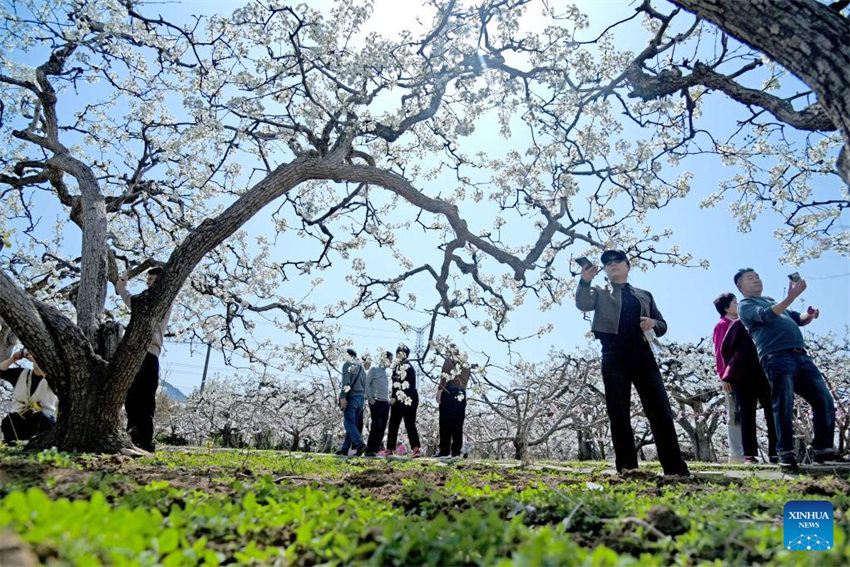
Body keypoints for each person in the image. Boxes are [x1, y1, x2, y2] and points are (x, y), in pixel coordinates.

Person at [575, 250, 689, 476]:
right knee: (618, 411)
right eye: (607, 263)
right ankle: (628, 469)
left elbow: (663, 325)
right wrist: (585, 280)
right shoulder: (599, 291)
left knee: (659, 409)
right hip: (613, 352)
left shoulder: (644, 294)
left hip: (643, 352)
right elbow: (583, 304)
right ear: (605, 270)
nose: (612, 264)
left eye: (617, 261)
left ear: (628, 266)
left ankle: (675, 468)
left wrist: (652, 322)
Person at [735, 268, 840, 468]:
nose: (756, 279)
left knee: (824, 399)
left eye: (758, 276)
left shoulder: (772, 300)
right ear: (740, 286)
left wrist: (808, 315)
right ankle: (785, 452)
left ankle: (823, 449)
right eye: (750, 278)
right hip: (776, 356)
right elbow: (766, 315)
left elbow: (797, 319)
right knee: (783, 403)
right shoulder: (745, 305)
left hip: (801, 355)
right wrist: (792, 296)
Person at [114, 266, 172, 452]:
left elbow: (134, 302)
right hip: (135, 354)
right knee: (132, 400)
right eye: (148, 280)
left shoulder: (162, 300)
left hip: (149, 355)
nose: (149, 283)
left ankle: (144, 442)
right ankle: (132, 438)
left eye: (153, 279)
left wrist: (122, 289)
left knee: (145, 401)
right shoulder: (148, 299)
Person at [719, 312, 778, 464]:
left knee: (772, 412)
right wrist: (729, 369)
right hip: (743, 375)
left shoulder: (770, 325)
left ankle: (775, 452)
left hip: (766, 373)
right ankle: (750, 454)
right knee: (746, 414)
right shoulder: (739, 324)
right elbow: (725, 348)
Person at [711, 293, 745, 463]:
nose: (738, 305)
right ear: (726, 307)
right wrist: (723, 376)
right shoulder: (722, 325)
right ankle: (736, 455)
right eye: (734, 302)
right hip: (732, 375)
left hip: (749, 374)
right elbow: (719, 352)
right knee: (734, 414)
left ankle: (748, 453)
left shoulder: (744, 323)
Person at [0, 349, 58, 444]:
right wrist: (13, 359)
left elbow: (55, 384)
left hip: (43, 420)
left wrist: (36, 361)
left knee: (44, 423)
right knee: (8, 422)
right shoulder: (21, 373)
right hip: (19, 417)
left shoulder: (55, 378)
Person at [385, 344, 422, 457]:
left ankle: (389, 449)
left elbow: (395, 384)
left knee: (394, 424)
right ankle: (416, 449)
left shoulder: (398, 365)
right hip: (412, 397)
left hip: (401, 397)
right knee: (410, 424)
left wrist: (393, 397)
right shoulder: (410, 366)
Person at [435, 343, 470, 458]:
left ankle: (444, 450)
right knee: (458, 424)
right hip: (462, 393)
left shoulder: (450, 359)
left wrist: (440, 391)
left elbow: (445, 376)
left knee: (445, 422)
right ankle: (456, 452)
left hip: (450, 392)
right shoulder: (466, 363)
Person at [337, 348, 367, 456]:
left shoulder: (347, 364)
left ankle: (360, 444)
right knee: (352, 424)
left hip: (352, 397)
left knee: (348, 423)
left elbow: (346, 383)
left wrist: (343, 397)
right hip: (361, 399)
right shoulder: (361, 367)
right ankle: (345, 449)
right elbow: (365, 384)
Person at [364, 351, 392, 456]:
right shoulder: (374, 370)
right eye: (389, 359)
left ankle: (375, 450)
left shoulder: (386, 373)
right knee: (376, 425)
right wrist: (370, 398)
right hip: (376, 401)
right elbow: (367, 384)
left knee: (383, 427)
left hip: (385, 402)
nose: (391, 362)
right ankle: (369, 449)